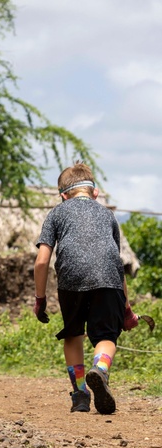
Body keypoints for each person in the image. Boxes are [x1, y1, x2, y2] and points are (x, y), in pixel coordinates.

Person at [34, 163, 135, 414]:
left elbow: (42, 261)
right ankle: (100, 370)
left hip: (71, 281)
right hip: (109, 279)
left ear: (63, 195)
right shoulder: (108, 215)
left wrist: (40, 298)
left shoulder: (57, 214)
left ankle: (80, 395)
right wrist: (126, 305)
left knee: (73, 334)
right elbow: (116, 262)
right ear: (95, 193)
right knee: (105, 337)